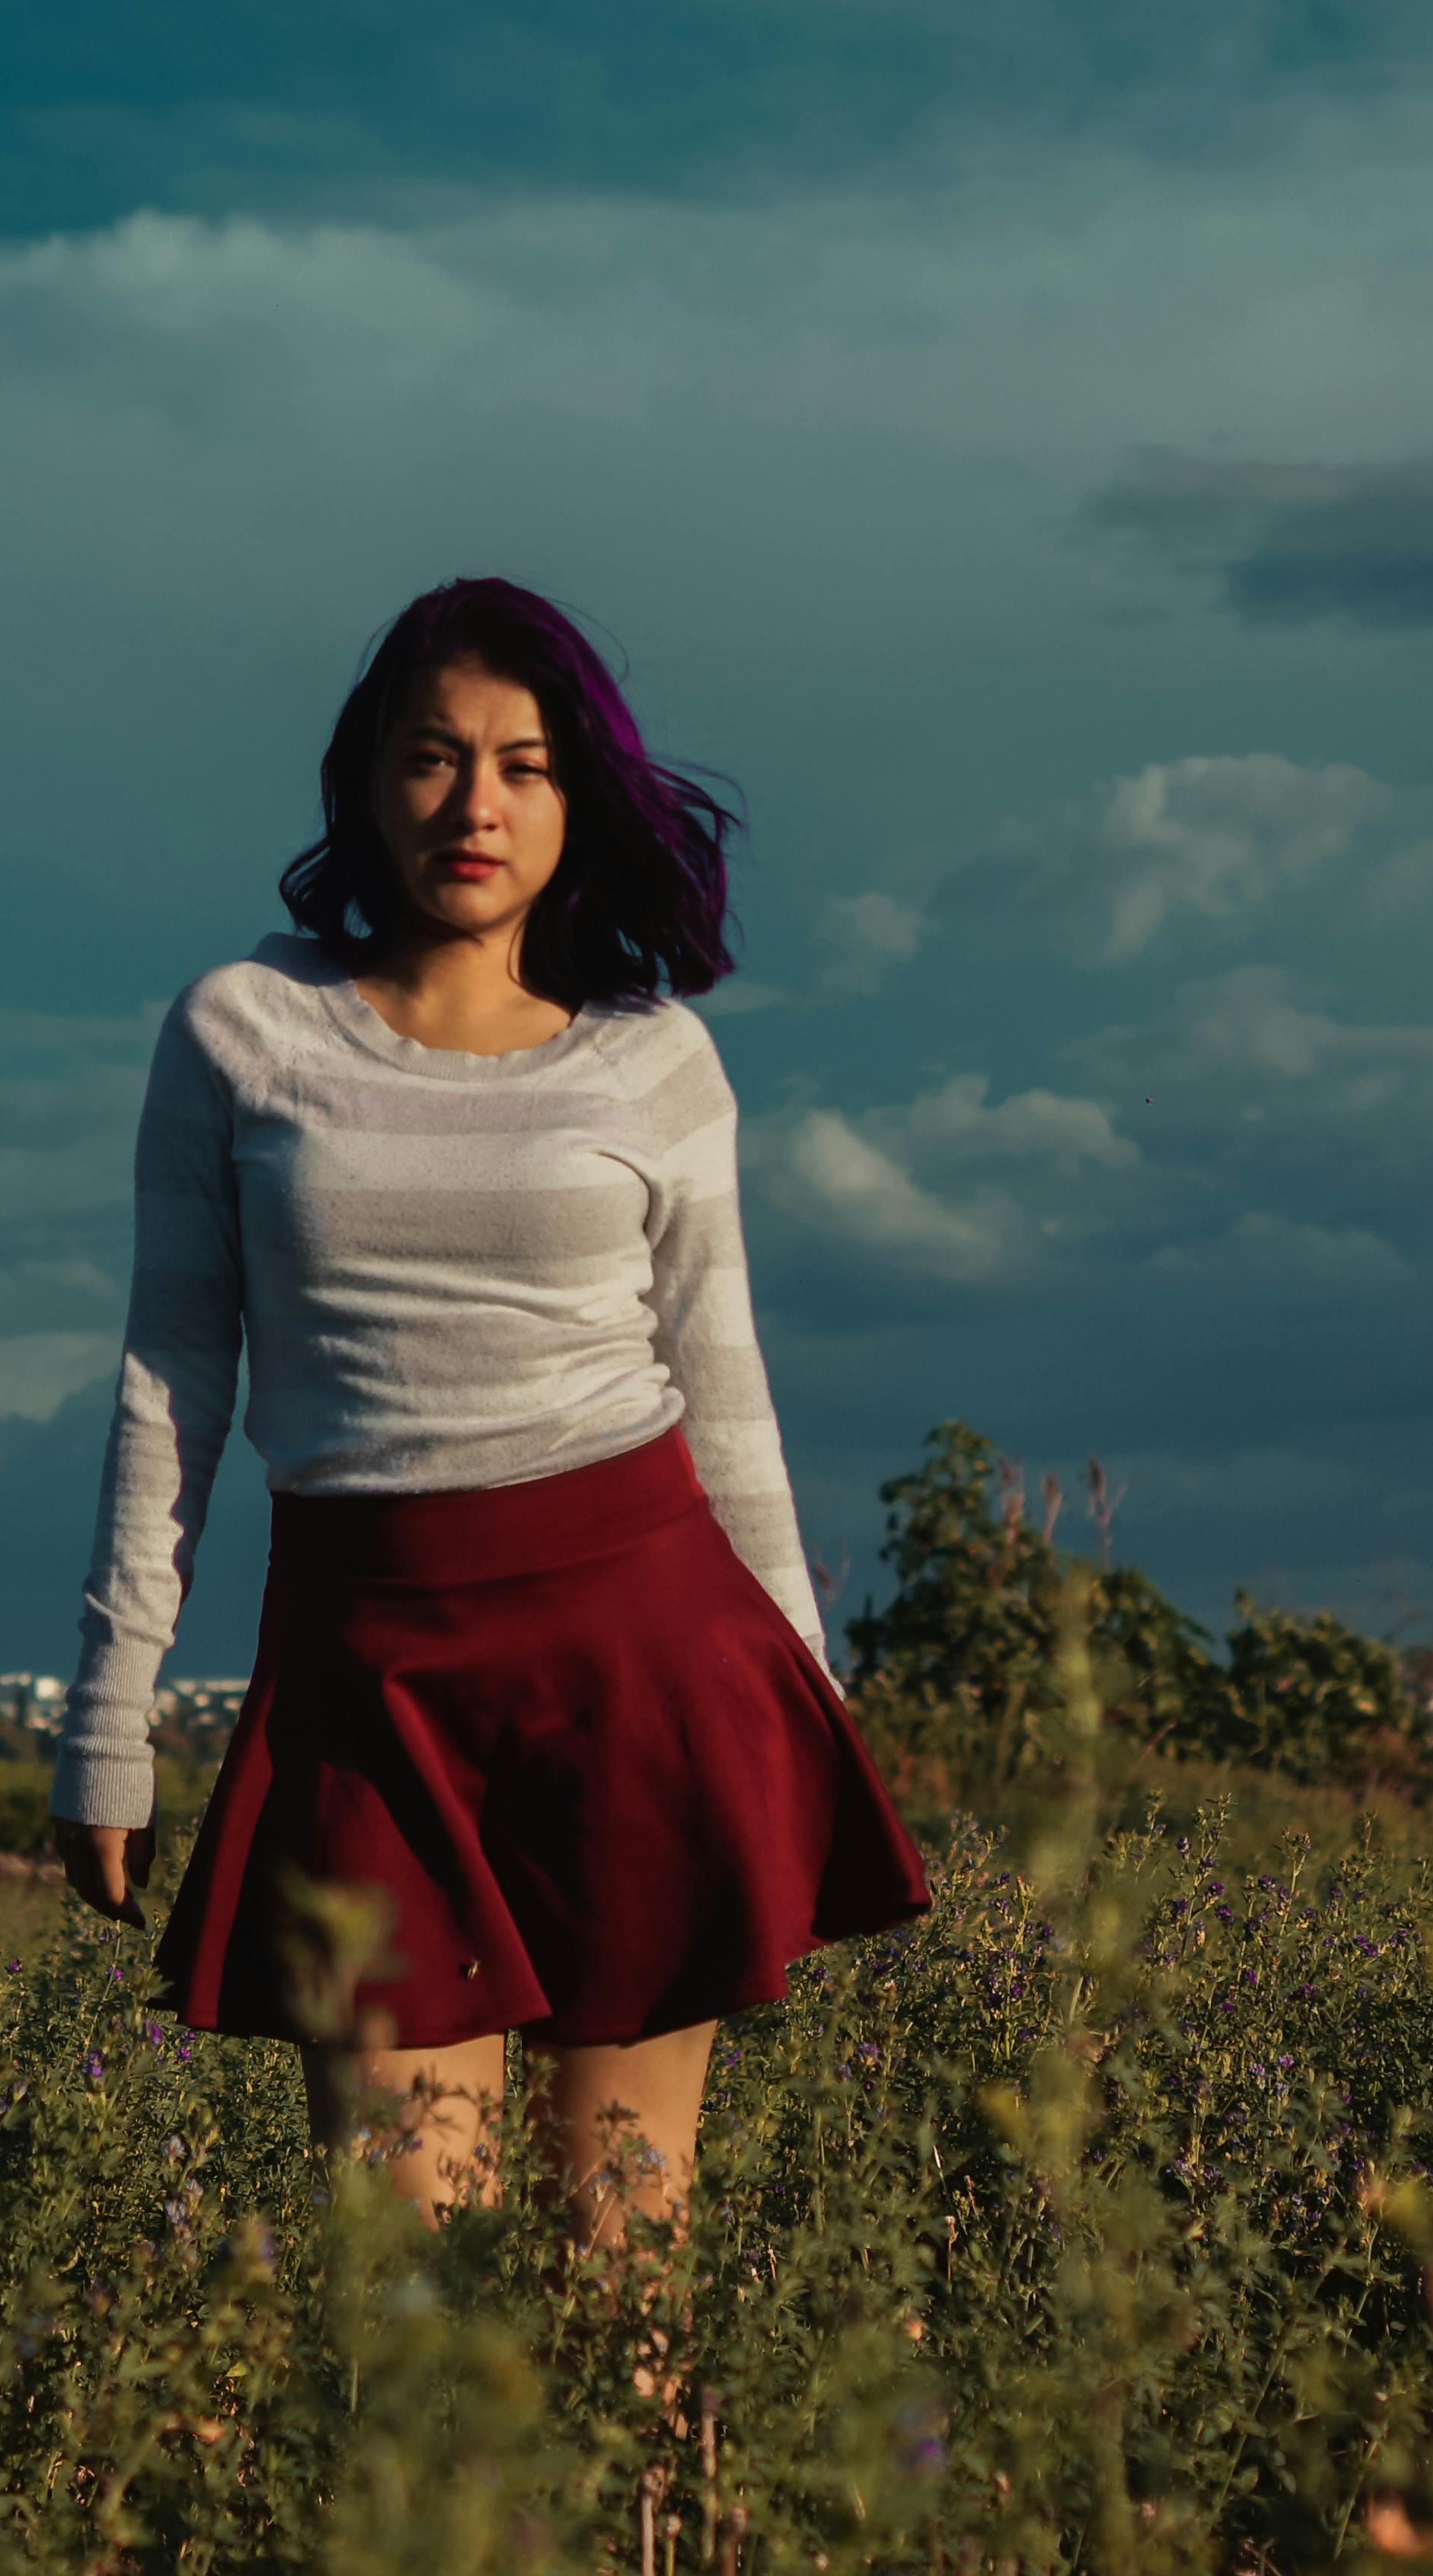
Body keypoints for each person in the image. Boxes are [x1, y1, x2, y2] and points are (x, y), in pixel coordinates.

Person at [49, 575, 928, 2251]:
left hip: (643, 1657)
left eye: (524, 763)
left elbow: (722, 1391)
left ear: (576, 795)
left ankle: (659, 2524)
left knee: (626, 2263)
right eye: (435, 757)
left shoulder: (651, 1057)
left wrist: (802, 1705)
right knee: (410, 2283)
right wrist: (109, 1718)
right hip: (364, 1677)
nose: (476, 803)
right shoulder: (241, 1031)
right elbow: (173, 1383)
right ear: (364, 781)